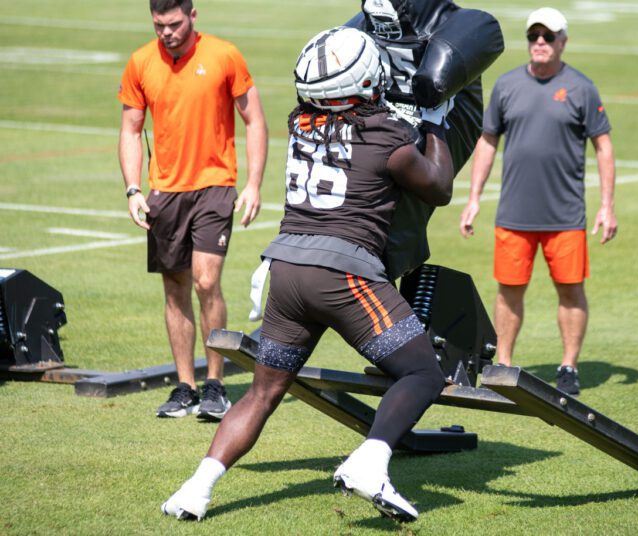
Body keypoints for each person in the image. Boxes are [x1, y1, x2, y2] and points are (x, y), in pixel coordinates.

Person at [161, 26, 453, 523]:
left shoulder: (301, 122)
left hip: (287, 270)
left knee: (262, 391)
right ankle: (372, 460)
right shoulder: (384, 133)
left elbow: (350, 119)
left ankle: (196, 488)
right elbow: (439, 186)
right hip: (344, 274)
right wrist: (437, 123)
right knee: (424, 371)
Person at [118, 0, 268, 419]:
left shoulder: (224, 55)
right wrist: (133, 189)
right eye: (159, 25)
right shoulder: (141, 62)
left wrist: (254, 183)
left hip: (215, 187)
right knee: (174, 286)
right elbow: (130, 129)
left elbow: (254, 120)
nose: (167, 32)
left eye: (174, 24)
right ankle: (184, 387)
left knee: (206, 281)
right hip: (164, 191)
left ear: (193, 15)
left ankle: (215, 384)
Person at [458, 7, 617, 395]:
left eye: (548, 36)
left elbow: (603, 146)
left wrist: (607, 205)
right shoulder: (508, 85)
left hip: (566, 216)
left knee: (570, 289)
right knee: (509, 290)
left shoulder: (581, 87)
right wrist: (474, 197)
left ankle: (568, 367)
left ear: (563, 41)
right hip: (514, 214)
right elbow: (488, 140)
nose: (540, 43)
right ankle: (504, 365)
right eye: (534, 37)